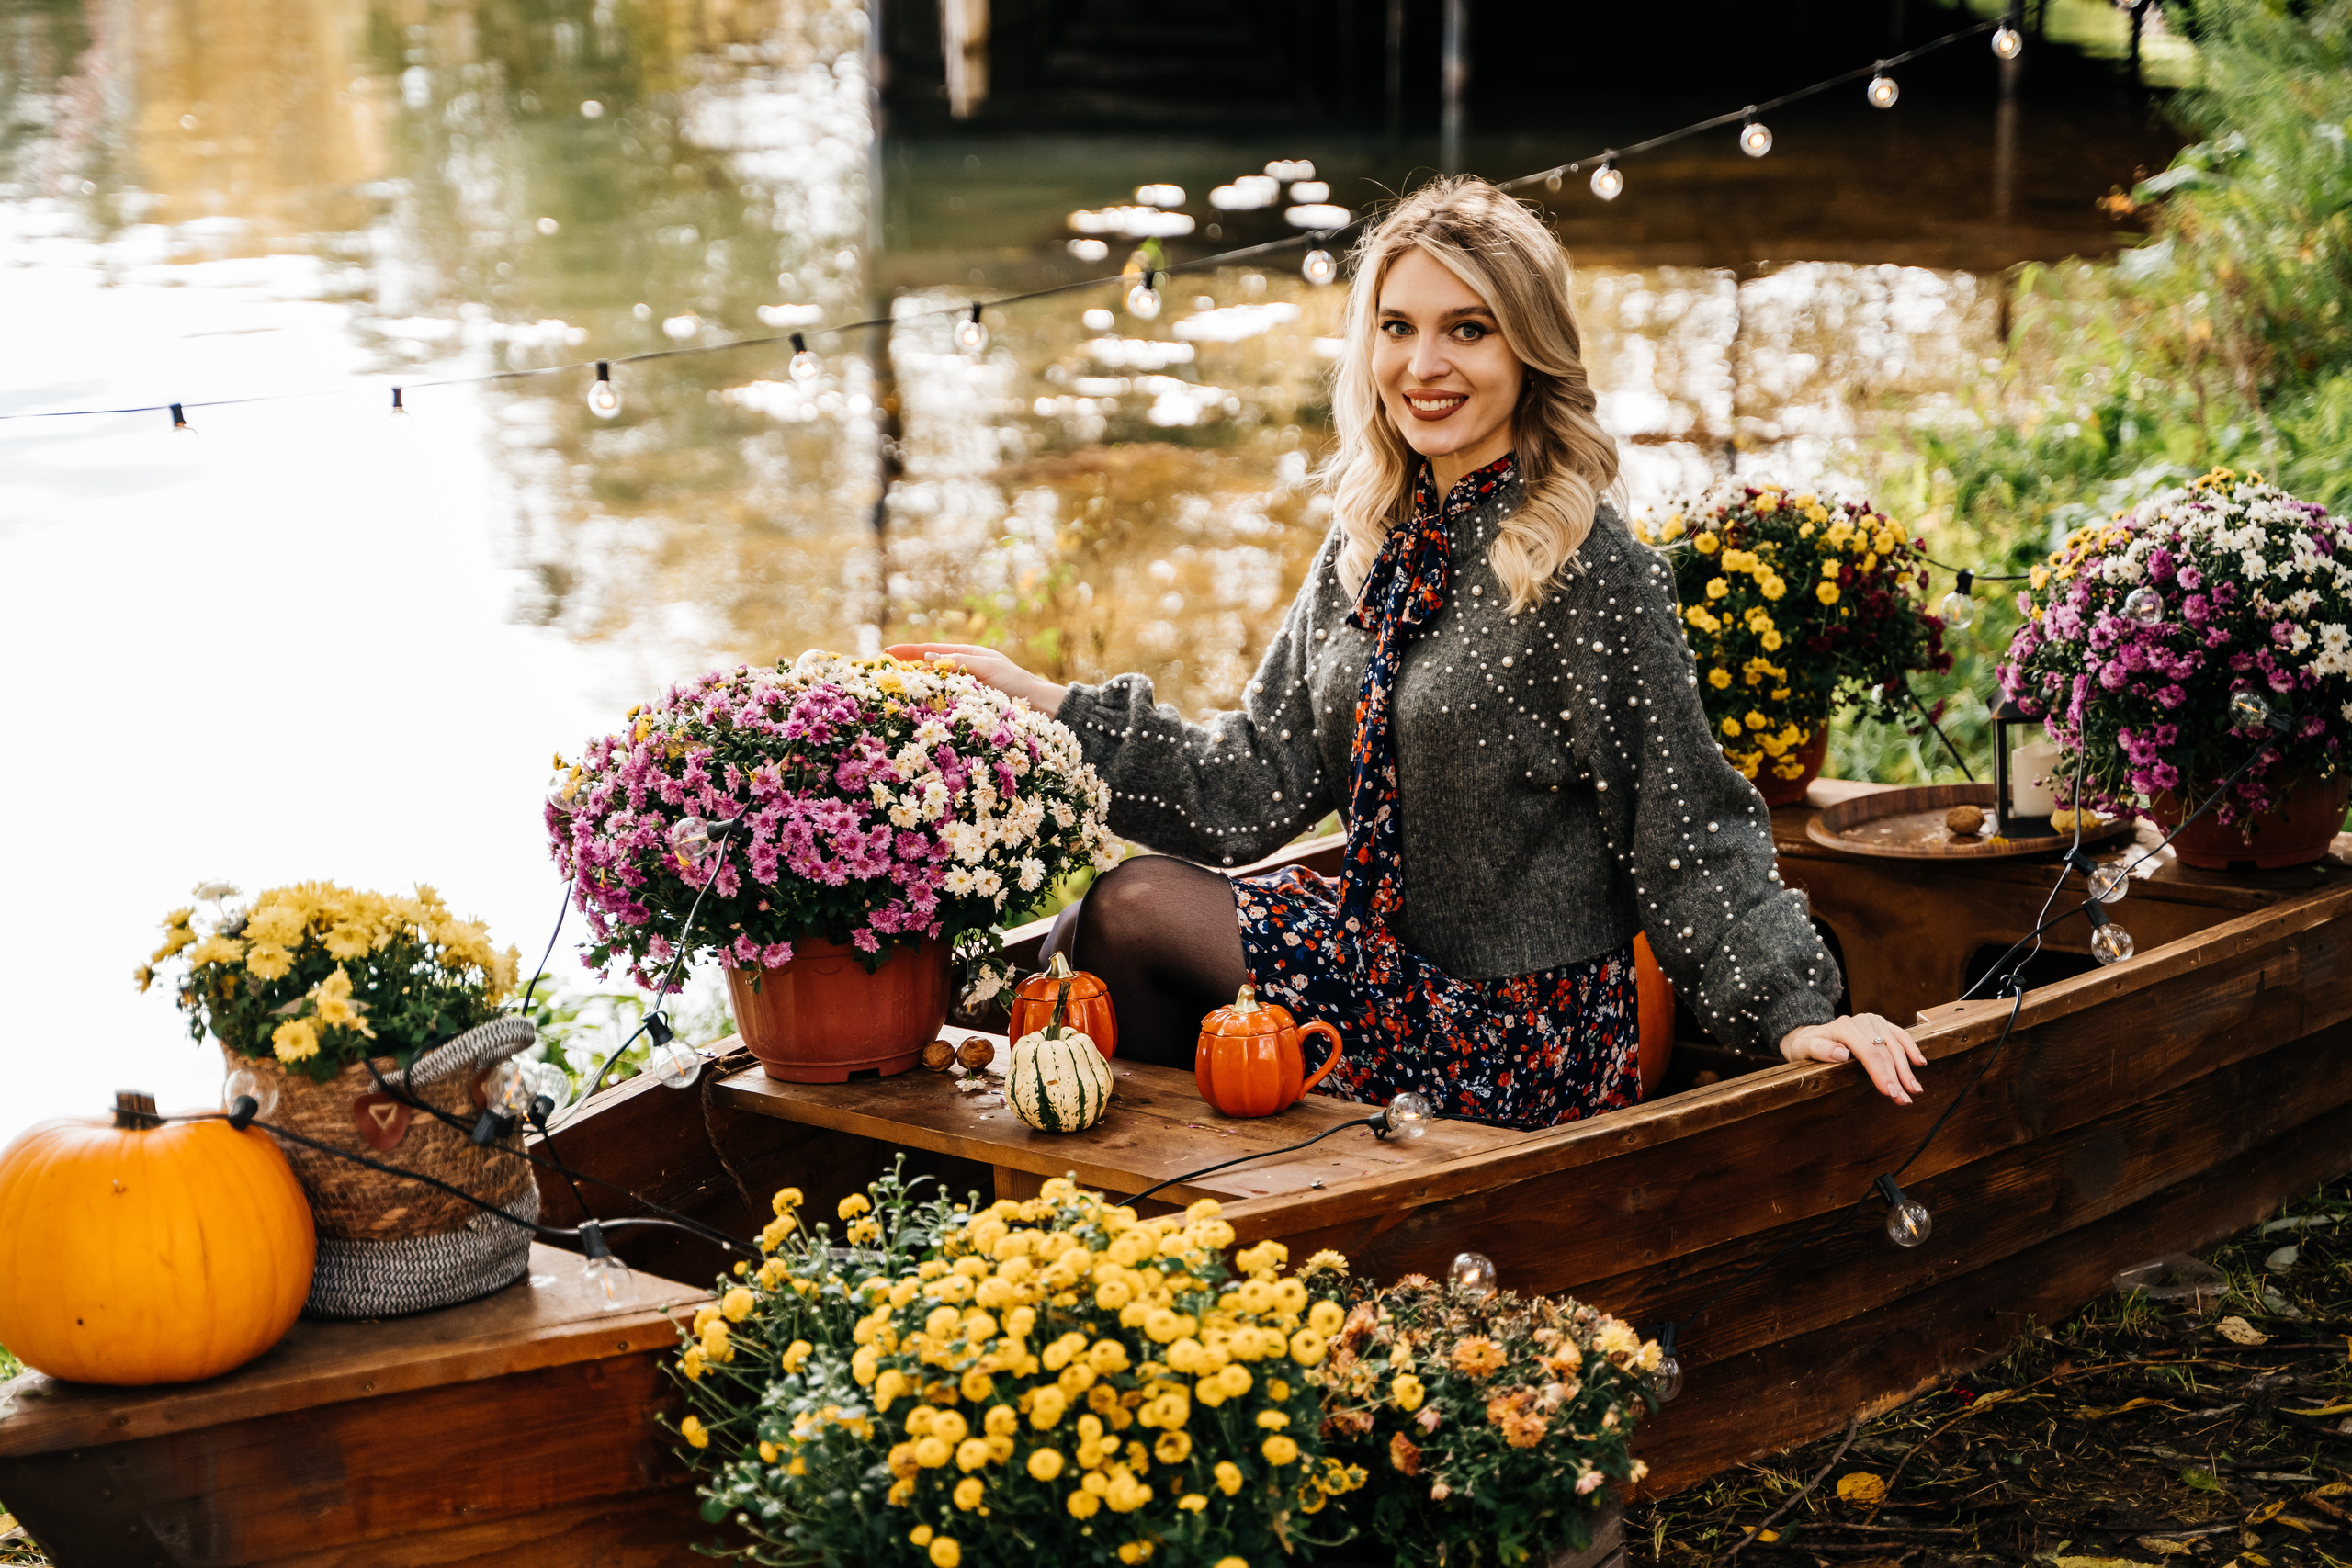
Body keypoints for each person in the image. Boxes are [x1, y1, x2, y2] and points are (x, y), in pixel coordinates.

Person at [894, 175, 1926, 1131]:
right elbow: (1243, 787)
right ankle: (1163, 1230)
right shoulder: (1368, 537)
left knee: (1129, 911)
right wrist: (1047, 704)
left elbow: (1684, 817)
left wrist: (1794, 1008)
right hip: (1384, 976)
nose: (1423, 367)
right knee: (1104, 924)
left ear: (1527, 349)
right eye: (1397, 328)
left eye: (1465, 331)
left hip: (1522, 1031)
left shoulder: (1581, 561)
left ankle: (1156, 1235)